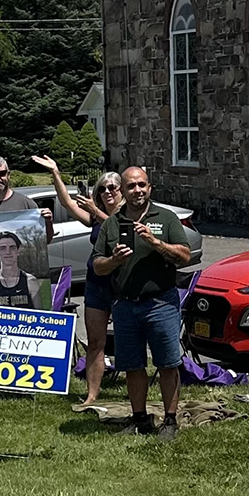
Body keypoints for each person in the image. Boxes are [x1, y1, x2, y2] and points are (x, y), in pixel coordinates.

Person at [93, 167, 191, 441]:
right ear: (122, 191)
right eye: (131, 186)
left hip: (160, 303)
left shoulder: (166, 218)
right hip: (125, 305)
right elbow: (98, 266)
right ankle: (140, 420)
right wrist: (114, 261)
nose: (137, 190)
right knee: (132, 365)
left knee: (167, 363)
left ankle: (170, 421)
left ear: (150, 188)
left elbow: (184, 255)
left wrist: (155, 242)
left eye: (142, 185)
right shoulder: (113, 224)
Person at [31, 154, 123, 405]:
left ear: (121, 190)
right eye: (102, 189)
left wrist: (95, 211)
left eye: (112, 187)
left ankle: (136, 391)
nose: (107, 192)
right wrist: (56, 174)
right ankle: (91, 395)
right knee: (95, 342)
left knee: (130, 340)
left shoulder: (128, 214)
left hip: (124, 286)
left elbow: (121, 230)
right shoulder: (95, 216)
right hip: (96, 285)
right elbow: (68, 203)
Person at [0, 231, 42, 308]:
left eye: (12, 248)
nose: (8, 252)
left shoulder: (31, 281)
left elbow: (40, 316)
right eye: (3, 248)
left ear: (18, 251)